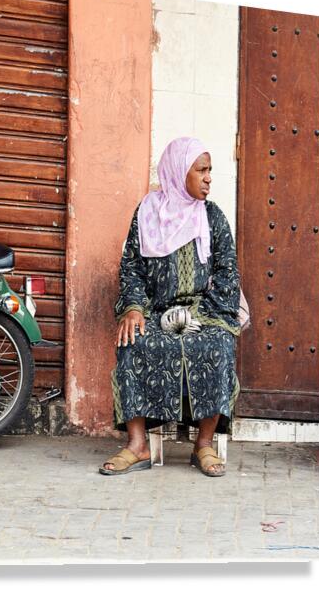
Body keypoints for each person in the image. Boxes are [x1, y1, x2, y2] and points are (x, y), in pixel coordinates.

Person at [100, 137, 241, 478]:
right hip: (154, 309)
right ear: (180, 172)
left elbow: (228, 273)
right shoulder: (148, 212)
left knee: (217, 344)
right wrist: (134, 308)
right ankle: (138, 445)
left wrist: (199, 315)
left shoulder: (213, 217)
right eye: (201, 170)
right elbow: (131, 265)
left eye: (210, 171)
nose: (208, 178)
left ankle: (203, 444)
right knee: (133, 341)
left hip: (202, 313)